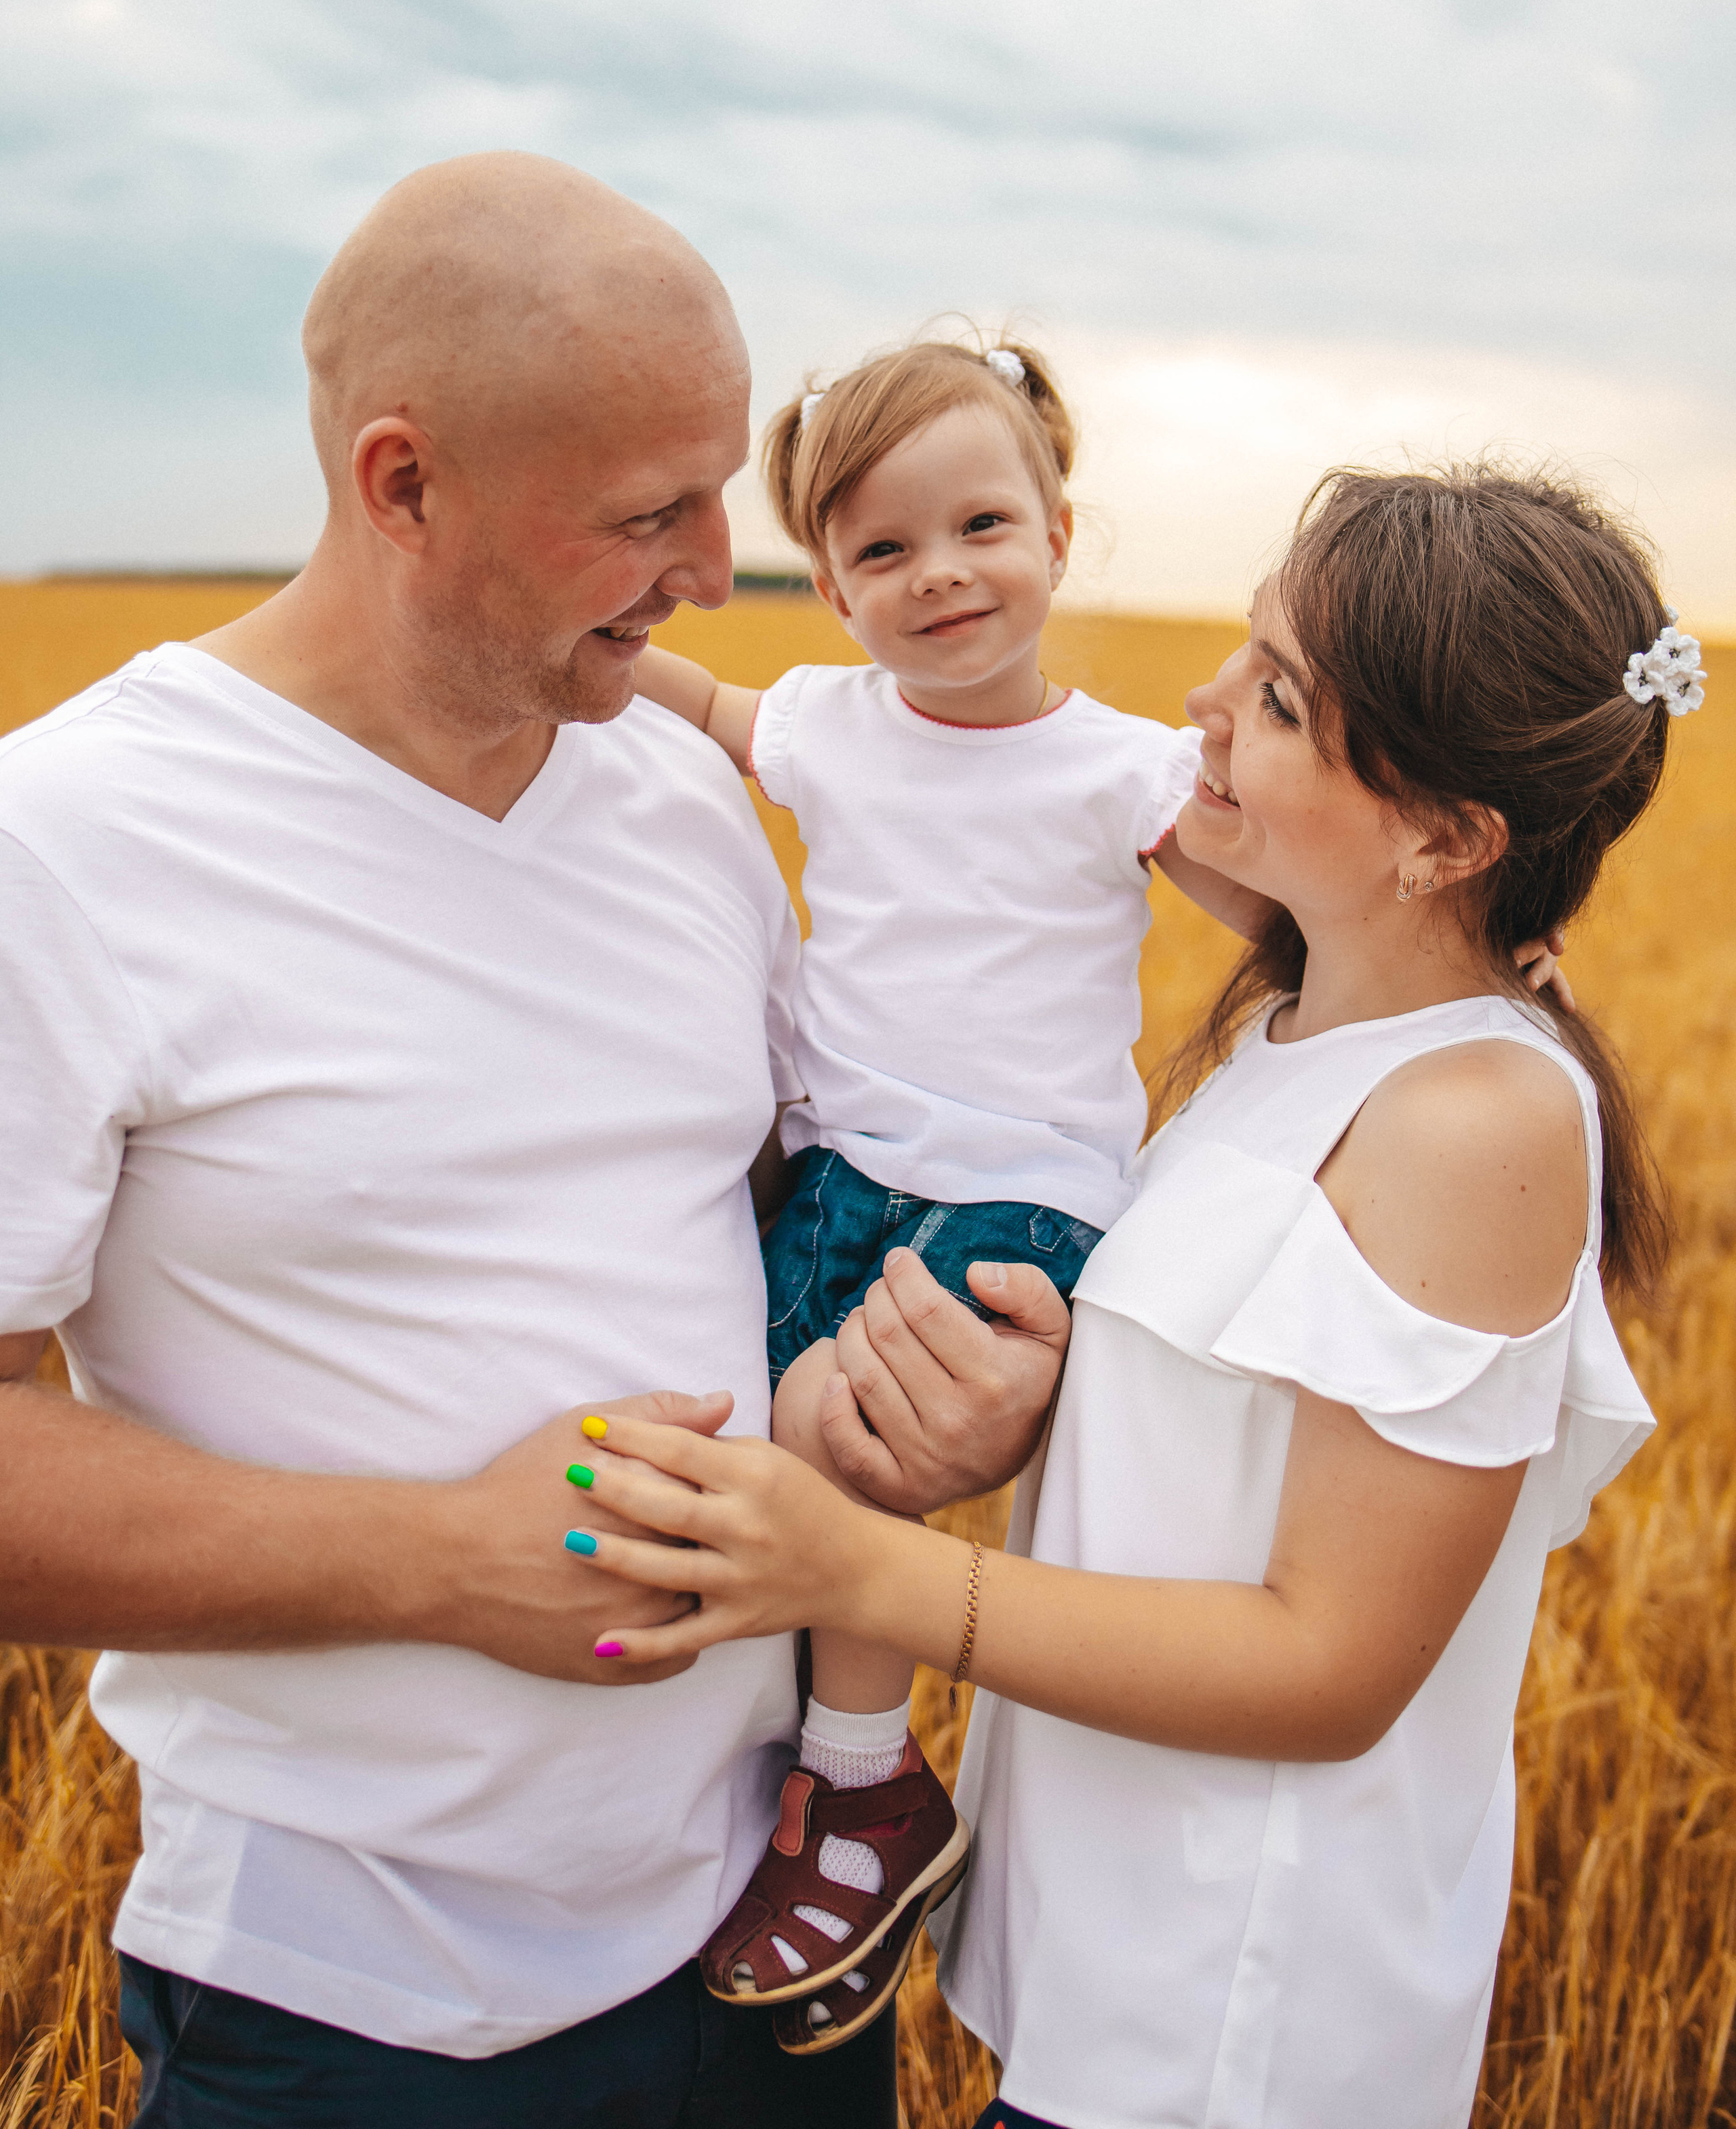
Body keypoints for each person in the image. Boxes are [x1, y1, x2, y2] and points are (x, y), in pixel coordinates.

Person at [0, 154, 1070, 2129]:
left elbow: (770, 1230)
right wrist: (437, 1560)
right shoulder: (63, 847)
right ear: (402, 486)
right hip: (353, 2007)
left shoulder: (672, 792)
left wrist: (939, 1400)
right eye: (645, 515)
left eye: (725, 496)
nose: (714, 574)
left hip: (777, 1943)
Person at [544, 462, 1693, 2124]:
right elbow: (1209, 1444)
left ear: (1448, 838)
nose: (1204, 707)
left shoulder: (1476, 1119)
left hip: (1244, 2031)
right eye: (1244, 650)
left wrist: (855, 1565)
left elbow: (1330, 1668)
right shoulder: (1282, 1040)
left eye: (1280, 698)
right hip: (1119, 1972)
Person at [633, 334, 1267, 2051]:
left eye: (982, 523)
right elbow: (699, 703)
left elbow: (1285, 910)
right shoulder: (829, 725)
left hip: (1018, 1194)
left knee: (851, 1443)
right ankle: (794, 1760)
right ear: (829, 589)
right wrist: (575, 660)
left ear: (1061, 531)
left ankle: (861, 1790)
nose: (941, 577)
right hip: (848, 1167)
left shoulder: (1121, 769)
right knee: (766, 1427)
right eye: (881, 551)